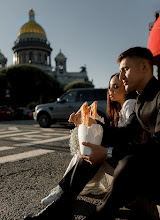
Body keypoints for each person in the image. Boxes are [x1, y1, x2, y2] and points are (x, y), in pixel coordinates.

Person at [25, 46, 160, 220]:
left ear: (144, 67)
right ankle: (62, 206)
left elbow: (157, 146)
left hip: (151, 170)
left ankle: (101, 214)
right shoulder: (141, 99)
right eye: (120, 72)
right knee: (93, 147)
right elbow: (126, 133)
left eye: (125, 69)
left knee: (129, 162)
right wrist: (94, 124)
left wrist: (108, 152)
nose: (121, 77)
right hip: (144, 166)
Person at [41, 73, 136, 206]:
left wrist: (95, 124)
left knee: (89, 151)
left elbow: (124, 136)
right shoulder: (120, 109)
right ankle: (71, 191)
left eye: (116, 87)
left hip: (129, 163)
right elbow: (115, 134)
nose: (111, 91)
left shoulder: (130, 104)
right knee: (88, 151)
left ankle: (63, 193)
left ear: (126, 88)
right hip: (122, 159)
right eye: (110, 87)